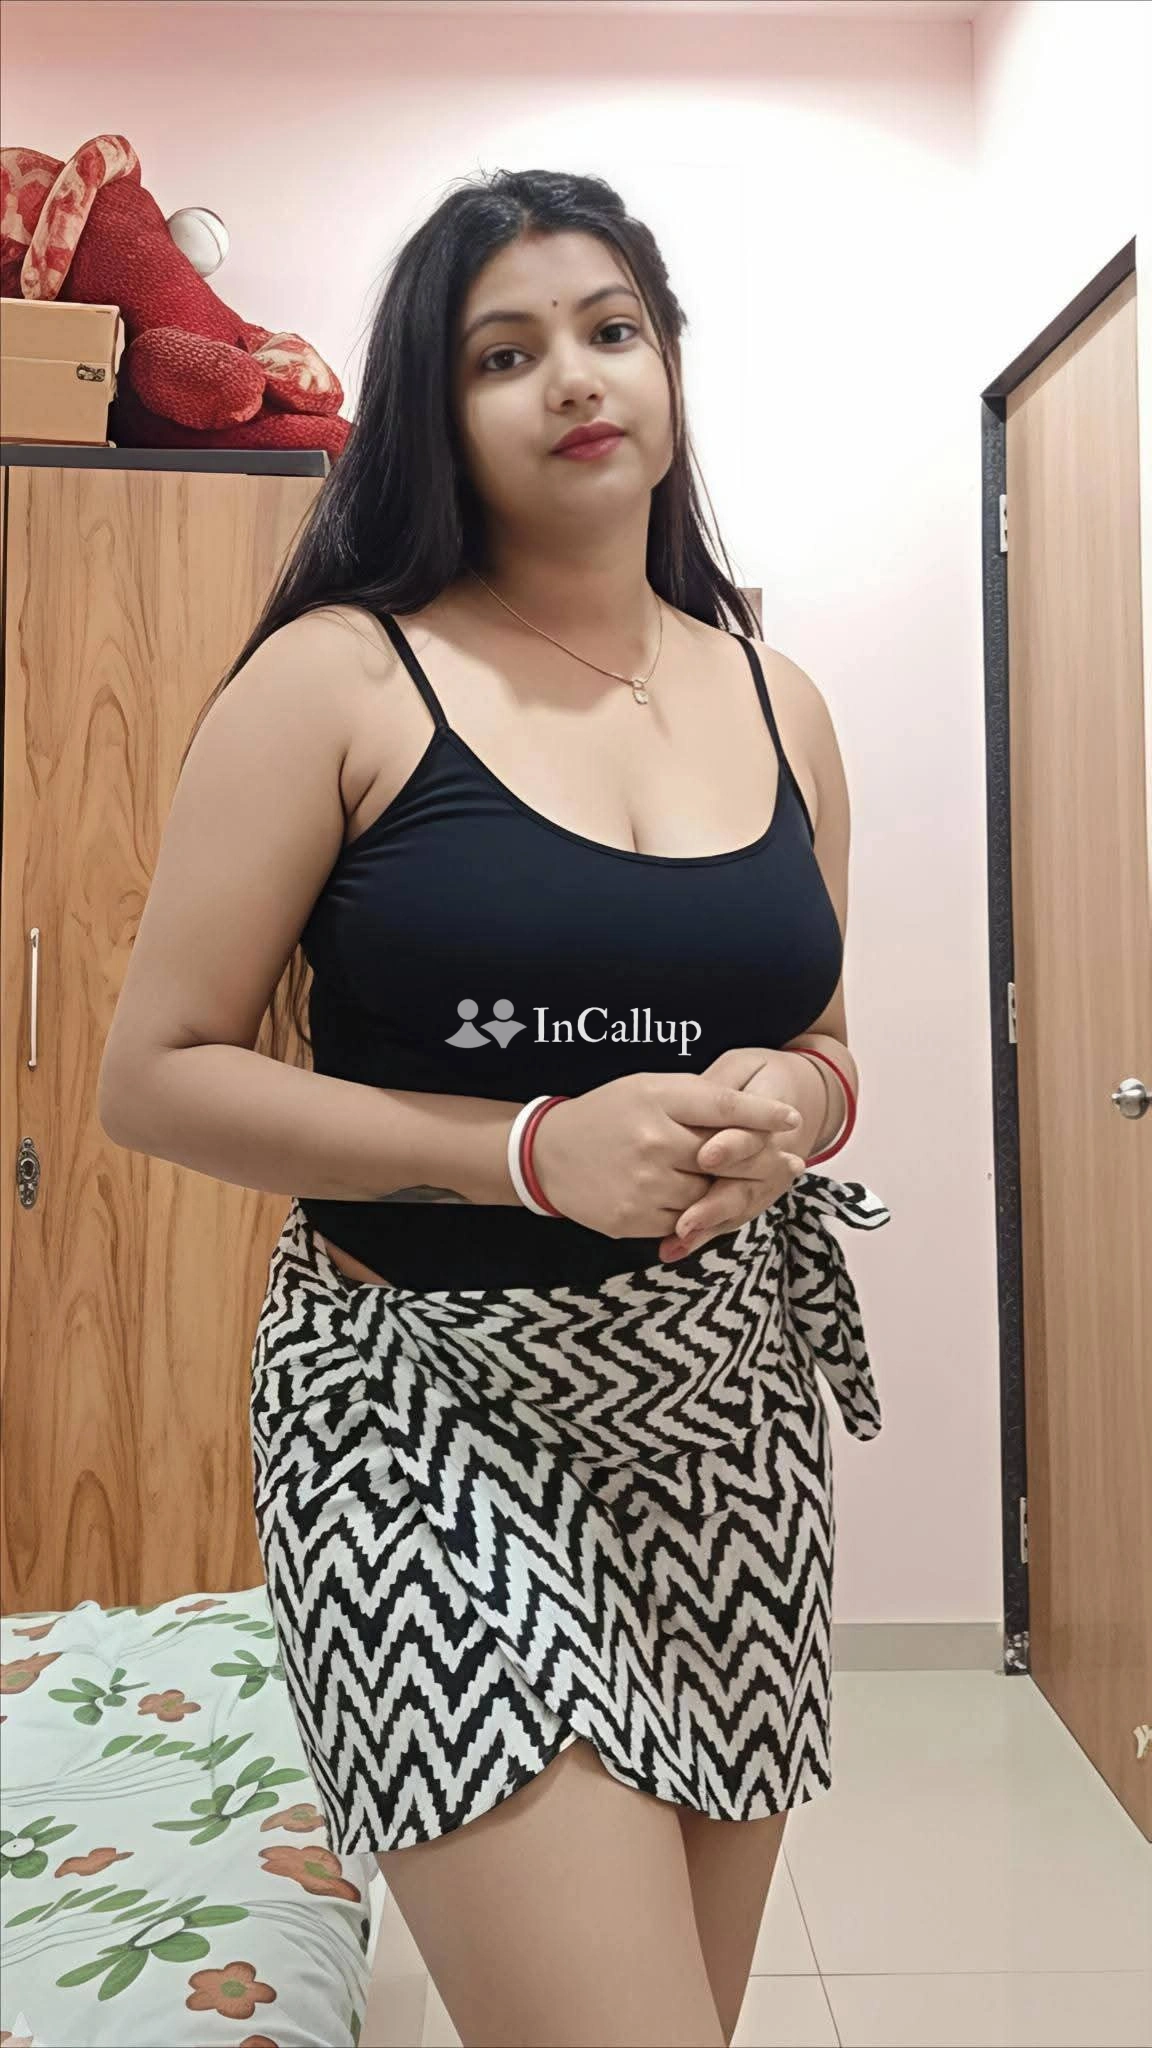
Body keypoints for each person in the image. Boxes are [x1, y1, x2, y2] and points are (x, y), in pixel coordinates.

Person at [98, 167, 891, 2048]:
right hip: (420, 1412)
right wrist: (526, 1153)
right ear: (437, 409)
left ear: (669, 364)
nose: (575, 378)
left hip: (726, 1419)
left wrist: (794, 1106)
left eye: (612, 330)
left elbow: (828, 1036)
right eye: (504, 353)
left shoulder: (780, 698)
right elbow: (157, 1073)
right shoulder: (340, 678)